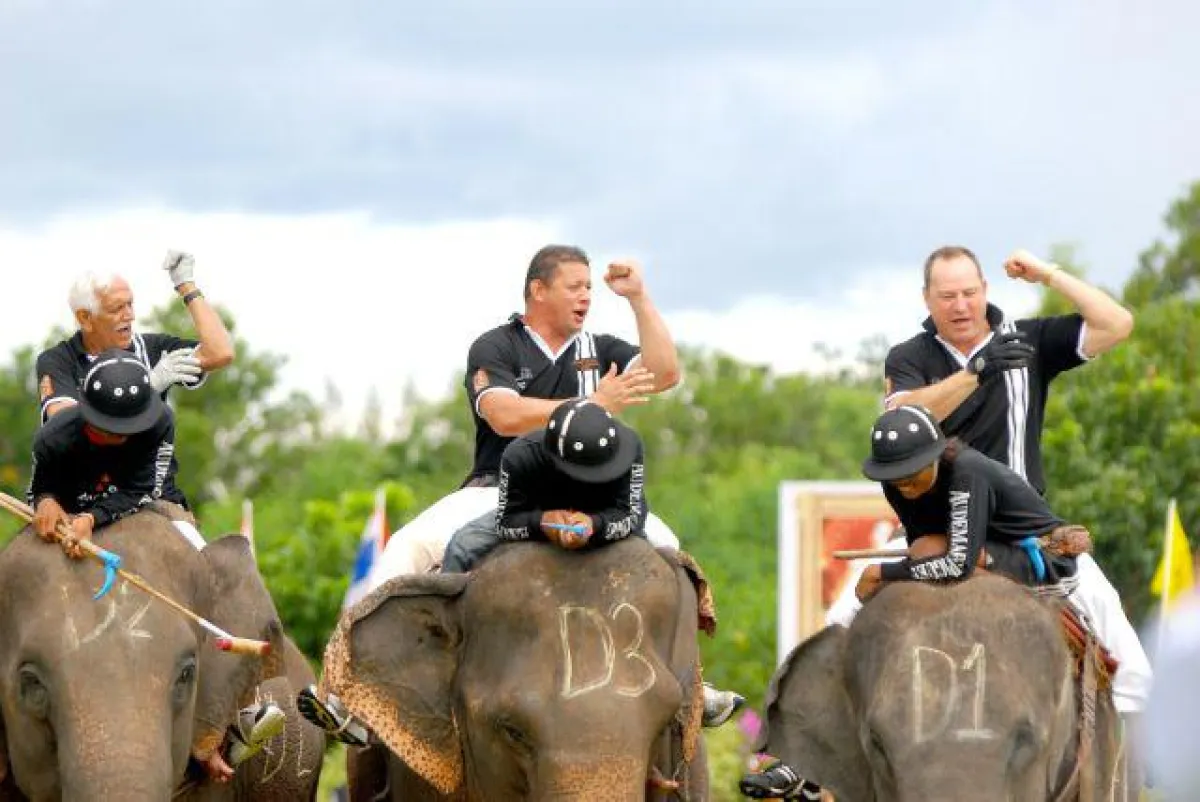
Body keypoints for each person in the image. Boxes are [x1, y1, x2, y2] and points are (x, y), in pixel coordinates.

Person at [742, 246, 1150, 798]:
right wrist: (977, 372)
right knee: (841, 617)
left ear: (985, 291)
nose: (960, 305)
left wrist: (1048, 275)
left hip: (1020, 529)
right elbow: (903, 419)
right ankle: (802, 765)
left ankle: (1130, 764)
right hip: (931, 520)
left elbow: (1117, 324)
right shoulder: (909, 357)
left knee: (1115, 630)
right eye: (947, 295)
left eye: (969, 292)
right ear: (927, 299)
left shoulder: (1029, 340)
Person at [299, 400, 746, 744]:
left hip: (598, 520)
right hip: (537, 511)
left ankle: (689, 685)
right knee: (462, 544)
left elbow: (632, 512)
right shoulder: (520, 454)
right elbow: (509, 518)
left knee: (672, 556)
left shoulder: (629, 448)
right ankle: (437, 653)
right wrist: (544, 523)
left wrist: (595, 526)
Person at [26, 351, 282, 782]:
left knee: (216, 572)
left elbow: (144, 487)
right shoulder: (54, 435)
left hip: (149, 506)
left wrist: (93, 519)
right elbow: (41, 486)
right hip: (70, 510)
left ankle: (221, 723)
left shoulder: (160, 420)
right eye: (108, 430)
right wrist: (47, 503)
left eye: (126, 430)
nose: (119, 438)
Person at [36, 250, 235, 423]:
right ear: (85, 318)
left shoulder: (153, 349)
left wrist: (187, 286)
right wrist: (145, 389)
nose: (130, 316)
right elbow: (65, 425)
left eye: (130, 304)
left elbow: (219, 352)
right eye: (117, 309)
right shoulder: (58, 360)